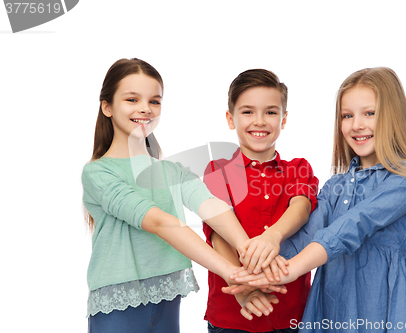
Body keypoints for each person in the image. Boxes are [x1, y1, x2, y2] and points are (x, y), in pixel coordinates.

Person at [230, 67, 406, 333]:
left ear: (393, 116)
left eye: (369, 113)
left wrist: (290, 270)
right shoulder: (334, 186)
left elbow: (353, 225)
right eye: (347, 116)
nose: (357, 125)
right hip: (330, 307)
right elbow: (306, 236)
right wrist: (257, 269)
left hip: (380, 310)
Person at [82, 58, 271, 333]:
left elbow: (211, 206)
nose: (145, 109)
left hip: (167, 300)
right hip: (118, 307)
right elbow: (160, 223)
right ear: (107, 107)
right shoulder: (98, 172)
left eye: (155, 101)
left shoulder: (172, 171)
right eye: (132, 99)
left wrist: (248, 252)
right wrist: (232, 273)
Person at [202, 69, 319, 332]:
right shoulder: (217, 170)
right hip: (231, 314)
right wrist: (241, 289)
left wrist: (272, 236)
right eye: (247, 112)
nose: (260, 121)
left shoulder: (298, 168)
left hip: (291, 313)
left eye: (270, 112)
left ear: (284, 118)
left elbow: (301, 206)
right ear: (230, 119)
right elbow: (218, 234)